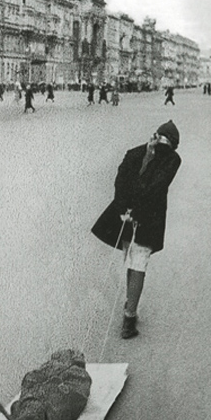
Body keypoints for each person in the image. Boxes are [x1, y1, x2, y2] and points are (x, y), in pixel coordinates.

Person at [91, 120, 181, 339]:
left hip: (132, 217)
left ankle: (130, 306)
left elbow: (126, 183)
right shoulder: (169, 159)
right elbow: (149, 186)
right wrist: (126, 209)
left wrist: (125, 210)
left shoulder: (146, 155)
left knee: (133, 262)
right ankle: (129, 317)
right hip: (147, 220)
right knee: (136, 263)